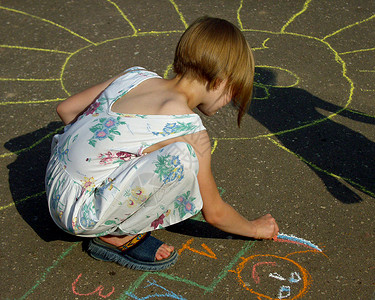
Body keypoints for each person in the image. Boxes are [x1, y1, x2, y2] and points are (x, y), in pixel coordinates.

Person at [45, 16, 279, 271]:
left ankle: (99, 196)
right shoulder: (189, 130)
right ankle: (113, 234)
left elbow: (66, 110)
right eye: (234, 92)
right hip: (76, 215)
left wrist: (98, 157)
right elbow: (214, 212)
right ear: (221, 79)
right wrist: (255, 228)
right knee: (182, 158)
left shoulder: (135, 76)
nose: (230, 102)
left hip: (56, 179)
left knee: (132, 149)